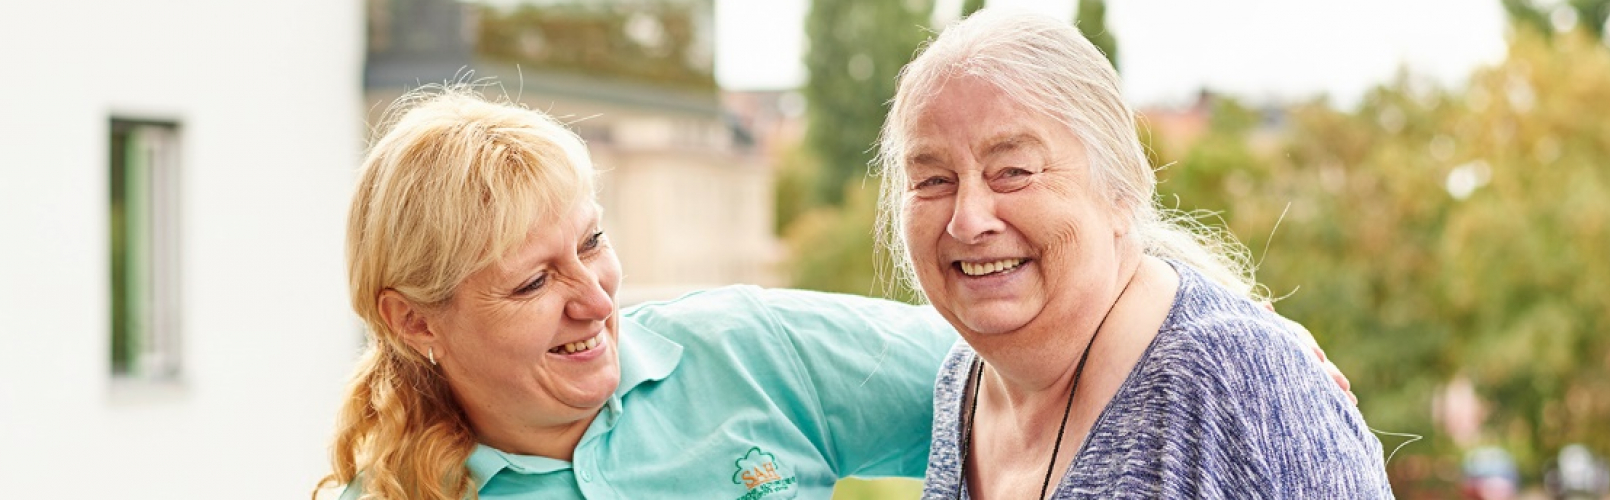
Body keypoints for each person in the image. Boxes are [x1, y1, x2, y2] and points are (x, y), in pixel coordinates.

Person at [315, 84, 1356, 499]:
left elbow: (1028, 366)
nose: (593, 297)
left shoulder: (748, 350)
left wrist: (1225, 332)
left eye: (592, 243)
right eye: (535, 281)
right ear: (414, 317)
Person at [873, 8, 1391, 499]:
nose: (967, 218)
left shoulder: (1236, 380)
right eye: (932, 180)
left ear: (1122, 192)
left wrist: (1267, 358)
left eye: (1014, 171)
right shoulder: (962, 379)